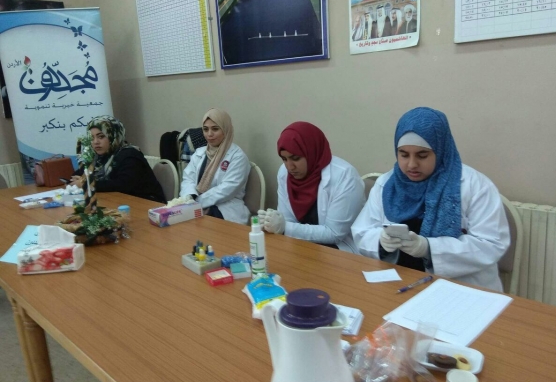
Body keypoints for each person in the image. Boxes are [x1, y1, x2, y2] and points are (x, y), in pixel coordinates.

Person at [351, 107, 509, 291]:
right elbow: (362, 232)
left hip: (461, 289)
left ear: (441, 150)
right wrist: (380, 242)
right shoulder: (386, 185)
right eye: (403, 154)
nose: (412, 164)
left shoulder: (475, 186)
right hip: (398, 282)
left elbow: (491, 244)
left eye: (422, 155)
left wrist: (429, 248)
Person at [258, 122, 365, 253]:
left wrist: (285, 227)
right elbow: (287, 219)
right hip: (299, 244)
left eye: (295, 158)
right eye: (284, 159)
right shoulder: (284, 173)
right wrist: (271, 222)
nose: (290, 167)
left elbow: (334, 233)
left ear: (311, 152)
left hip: (337, 250)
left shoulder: (345, 176)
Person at [70, 115, 166, 203]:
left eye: (101, 137)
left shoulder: (130, 155)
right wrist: (81, 180)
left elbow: (122, 184)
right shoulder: (98, 156)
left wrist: (87, 184)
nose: (95, 142)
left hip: (147, 203)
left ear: (113, 136)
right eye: (92, 137)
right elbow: (77, 174)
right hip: (119, 201)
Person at [179, 108, 251, 224]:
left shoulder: (237, 156)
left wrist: (197, 203)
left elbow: (227, 189)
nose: (209, 134)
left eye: (215, 129)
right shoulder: (199, 153)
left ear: (225, 130)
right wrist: (189, 197)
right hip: (196, 206)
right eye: (205, 129)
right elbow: (188, 178)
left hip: (225, 209)